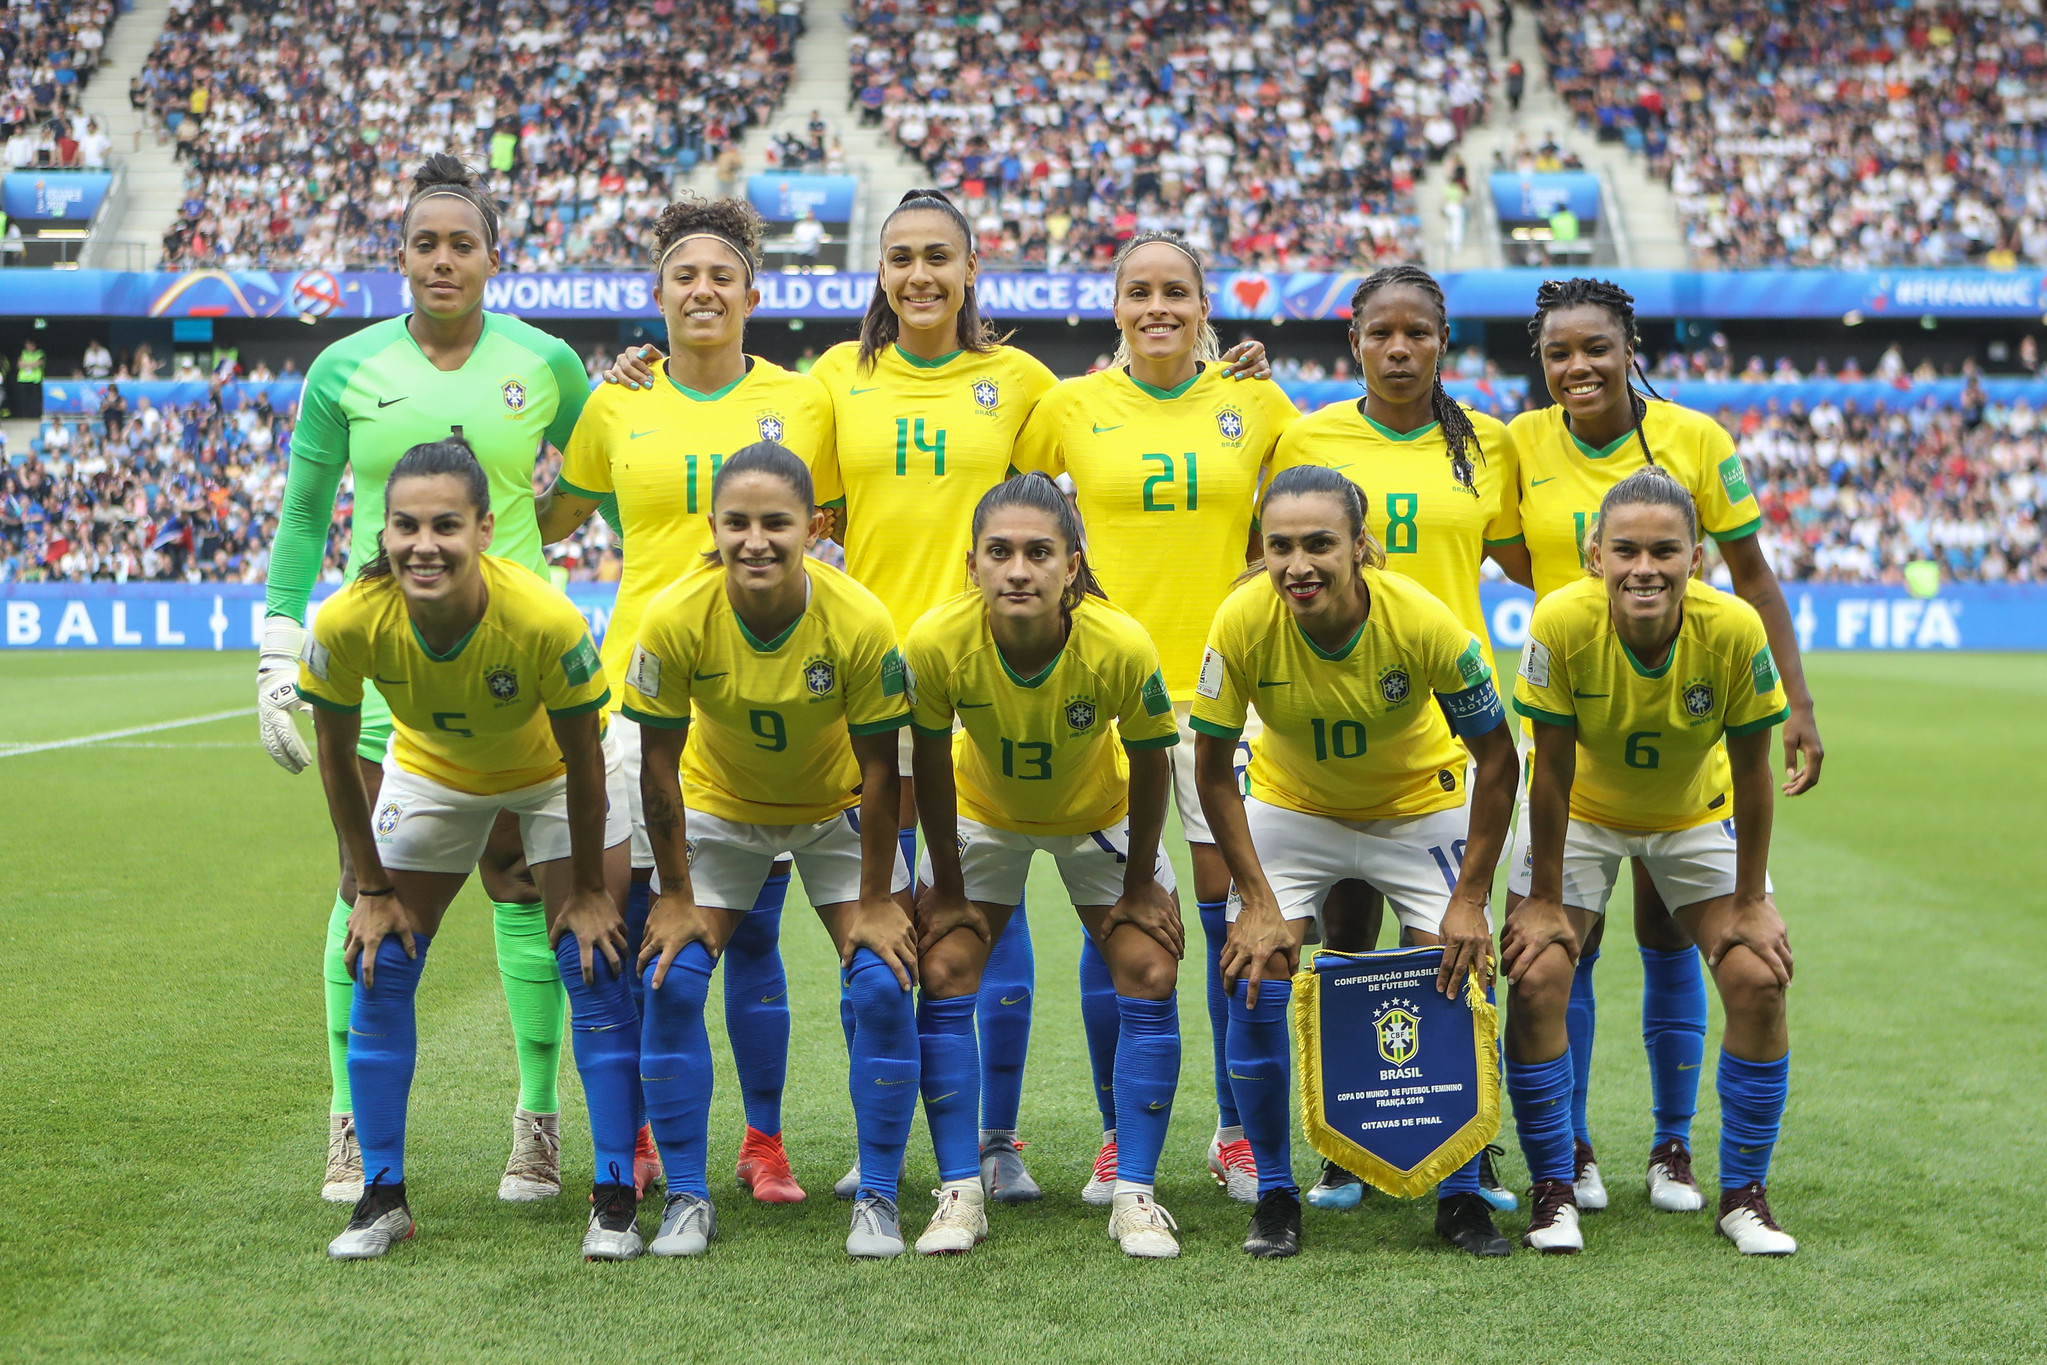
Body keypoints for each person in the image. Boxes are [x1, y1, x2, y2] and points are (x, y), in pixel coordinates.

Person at [607, 190, 1270, 1203]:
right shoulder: (837, 379)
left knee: (1051, 918)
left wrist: (1223, 361)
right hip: (875, 691)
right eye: (900, 258)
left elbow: (1092, 475)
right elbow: (780, 473)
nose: (918, 274)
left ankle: (1015, 1141)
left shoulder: (1026, 387)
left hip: (1015, 682)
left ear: (969, 272)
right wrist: (640, 375)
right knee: (909, 919)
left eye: (937, 258)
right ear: (880, 274)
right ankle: (895, 1149)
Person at [257, 154, 594, 1207]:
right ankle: (349, 1128)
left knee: (527, 885)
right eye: (424, 243)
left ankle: (535, 1125)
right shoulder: (343, 369)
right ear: (398, 257)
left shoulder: (545, 363)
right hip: (383, 664)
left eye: (462, 242)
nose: (443, 259)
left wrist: (528, 568)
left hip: (516, 666)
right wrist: (279, 636)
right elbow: (307, 513)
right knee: (362, 884)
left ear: (494, 257)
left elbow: (590, 485)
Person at [538, 193, 834, 1205]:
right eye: (683, 276)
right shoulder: (613, 404)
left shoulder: (803, 402)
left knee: (749, 933)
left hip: (763, 692)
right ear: (656, 296)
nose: (702, 290)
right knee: (641, 925)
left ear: (753, 294)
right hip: (634, 699)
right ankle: (654, 1142)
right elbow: (552, 515)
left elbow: (833, 522)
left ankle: (762, 1143)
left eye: (720, 276)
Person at [1509, 277, 1821, 1217]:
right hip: (1582, 707)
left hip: (1685, 744)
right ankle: (1570, 1150)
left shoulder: (1696, 441)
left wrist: (1797, 698)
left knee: (1670, 944)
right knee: (1565, 950)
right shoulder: (1515, 443)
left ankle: (1674, 1147)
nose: (1577, 368)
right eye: (1558, 353)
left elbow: (1754, 579)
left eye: (1595, 348)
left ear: (1627, 344)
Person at [1011, 229, 1297, 1206]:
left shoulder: (1254, 402)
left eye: (1175, 290)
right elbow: (1004, 505)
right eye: (1140, 291)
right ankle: (1113, 1135)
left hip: (1224, 705)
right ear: (1115, 306)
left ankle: (1236, 1133)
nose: (1157, 306)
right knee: (1119, 923)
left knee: (1229, 925)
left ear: (1203, 300)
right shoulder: (1069, 405)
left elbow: (1299, 512)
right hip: (1105, 702)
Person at [297, 440, 636, 1261]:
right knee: (377, 955)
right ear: (382, 531)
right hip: (434, 771)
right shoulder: (346, 620)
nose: (424, 544)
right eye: (405, 526)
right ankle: (381, 1196)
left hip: (557, 774)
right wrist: (370, 886)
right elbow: (339, 757)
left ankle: (616, 1195)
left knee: (589, 957)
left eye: (446, 525)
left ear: (485, 528)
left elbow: (585, 756)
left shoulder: (544, 618)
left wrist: (589, 887)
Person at [1193, 463, 1518, 1259]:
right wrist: (1256, 898)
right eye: (1279, 546)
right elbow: (1208, 771)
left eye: (1317, 544)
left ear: (1358, 545)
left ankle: (1462, 1193)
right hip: (1293, 804)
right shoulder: (1240, 619)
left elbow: (1500, 760)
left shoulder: (1422, 620)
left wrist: (1471, 897)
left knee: (1455, 965)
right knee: (1257, 969)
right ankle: (1274, 1192)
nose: (1297, 564)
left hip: (1415, 804)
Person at [1269, 263, 1531, 1212]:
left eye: (1417, 332)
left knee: (1450, 948)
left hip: (1447, 729)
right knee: (1342, 927)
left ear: (1441, 341)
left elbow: (1522, 555)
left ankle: (1468, 1145)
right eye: (1381, 332)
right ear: (1354, 342)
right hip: (1326, 724)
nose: (1399, 348)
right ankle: (1347, 1142)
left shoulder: (1487, 445)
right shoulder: (1309, 436)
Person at [622, 442, 918, 1259]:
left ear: (814, 527)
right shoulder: (675, 616)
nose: (755, 540)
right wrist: (675, 894)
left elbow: (881, 767)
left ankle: (881, 1201)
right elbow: (656, 767)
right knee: (672, 980)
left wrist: (876, 898)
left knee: (884, 982)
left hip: (833, 812)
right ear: (712, 526)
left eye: (776, 523)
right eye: (737, 522)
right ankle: (687, 1196)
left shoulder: (858, 619)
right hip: (721, 810)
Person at [1504, 468, 1795, 1256]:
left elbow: (1754, 772)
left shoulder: (1732, 628)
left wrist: (1748, 900)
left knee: (1758, 977)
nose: (1644, 567)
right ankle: (1553, 1185)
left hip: (1694, 816)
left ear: (1694, 558)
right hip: (1583, 816)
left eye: (1664, 550)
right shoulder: (1559, 620)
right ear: (1593, 554)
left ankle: (1743, 1194)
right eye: (1624, 549)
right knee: (1535, 975)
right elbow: (1551, 772)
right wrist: (1538, 898)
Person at [904, 474, 1185, 1259]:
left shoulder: (1118, 643)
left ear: (1071, 563)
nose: (1018, 569)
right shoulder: (935, 641)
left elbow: (1152, 757)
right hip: (983, 815)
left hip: (1095, 816)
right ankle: (960, 1190)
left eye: (1037, 552)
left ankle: (1134, 1193)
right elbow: (927, 762)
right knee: (945, 966)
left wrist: (1137, 884)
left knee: (1150, 968)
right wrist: (949, 891)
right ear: (972, 564)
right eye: (999, 552)